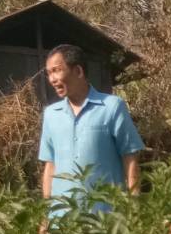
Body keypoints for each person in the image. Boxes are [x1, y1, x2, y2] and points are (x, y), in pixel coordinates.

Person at [38, 44, 144, 218]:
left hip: (106, 218)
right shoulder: (51, 114)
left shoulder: (112, 107)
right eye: (49, 73)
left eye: (56, 70)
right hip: (62, 220)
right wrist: (45, 214)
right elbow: (50, 165)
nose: (52, 79)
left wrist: (134, 207)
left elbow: (130, 157)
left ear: (78, 71)